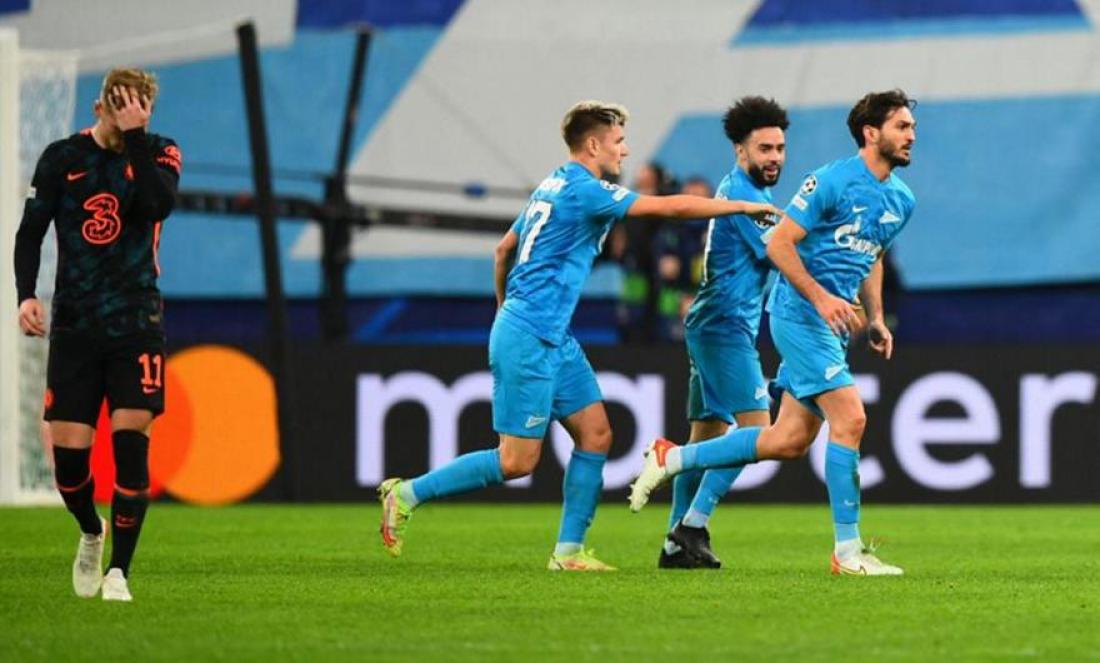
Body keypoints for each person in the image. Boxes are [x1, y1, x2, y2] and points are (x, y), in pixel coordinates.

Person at [378, 100, 779, 570]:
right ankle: (406, 493)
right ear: (592, 145)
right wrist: (741, 206)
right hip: (530, 333)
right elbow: (667, 207)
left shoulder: (552, 184)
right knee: (516, 461)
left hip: (549, 333)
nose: (625, 151)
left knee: (596, 434)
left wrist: (504, 309)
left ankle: (568, 553)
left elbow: (503, 250)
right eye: (618, 142)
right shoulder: (586, 190)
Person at [629, 89, 917, 576]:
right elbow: (783, 245)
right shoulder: (814, 185)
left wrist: (874, 315)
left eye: (780, 147)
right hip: (763, 320)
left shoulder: (901, 199)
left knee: (785, 440)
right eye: (902, 126)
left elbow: (873, 253)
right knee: (848, 418)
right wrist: (823, 295)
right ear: (872, 133)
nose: (911, 135)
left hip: (785, 323)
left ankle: (681, 512)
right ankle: (848, 553)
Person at [14, 68, 181, 600]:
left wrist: (135, 139)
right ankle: (91, 529)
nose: (127, 118)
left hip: (136, 321)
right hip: (76, 324)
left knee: (131, 445)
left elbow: (156, 205)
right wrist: (25, 295)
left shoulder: (160, 152)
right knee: (69, 466)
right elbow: (30, 232)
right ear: (98, 107)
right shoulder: (62, 157)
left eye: (138, 110)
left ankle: (119, 572)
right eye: (119, 109)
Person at [659, 97, 789, 569]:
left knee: (706, 435)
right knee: (759, 432)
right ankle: (692, 525)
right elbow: (787, 253)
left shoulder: (744, 192)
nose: (774, 157)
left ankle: (675, 546)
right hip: (724, 328)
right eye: (764, 148)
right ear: (740, 151)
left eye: (779, 148)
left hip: (714, 324)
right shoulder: (746, 200)